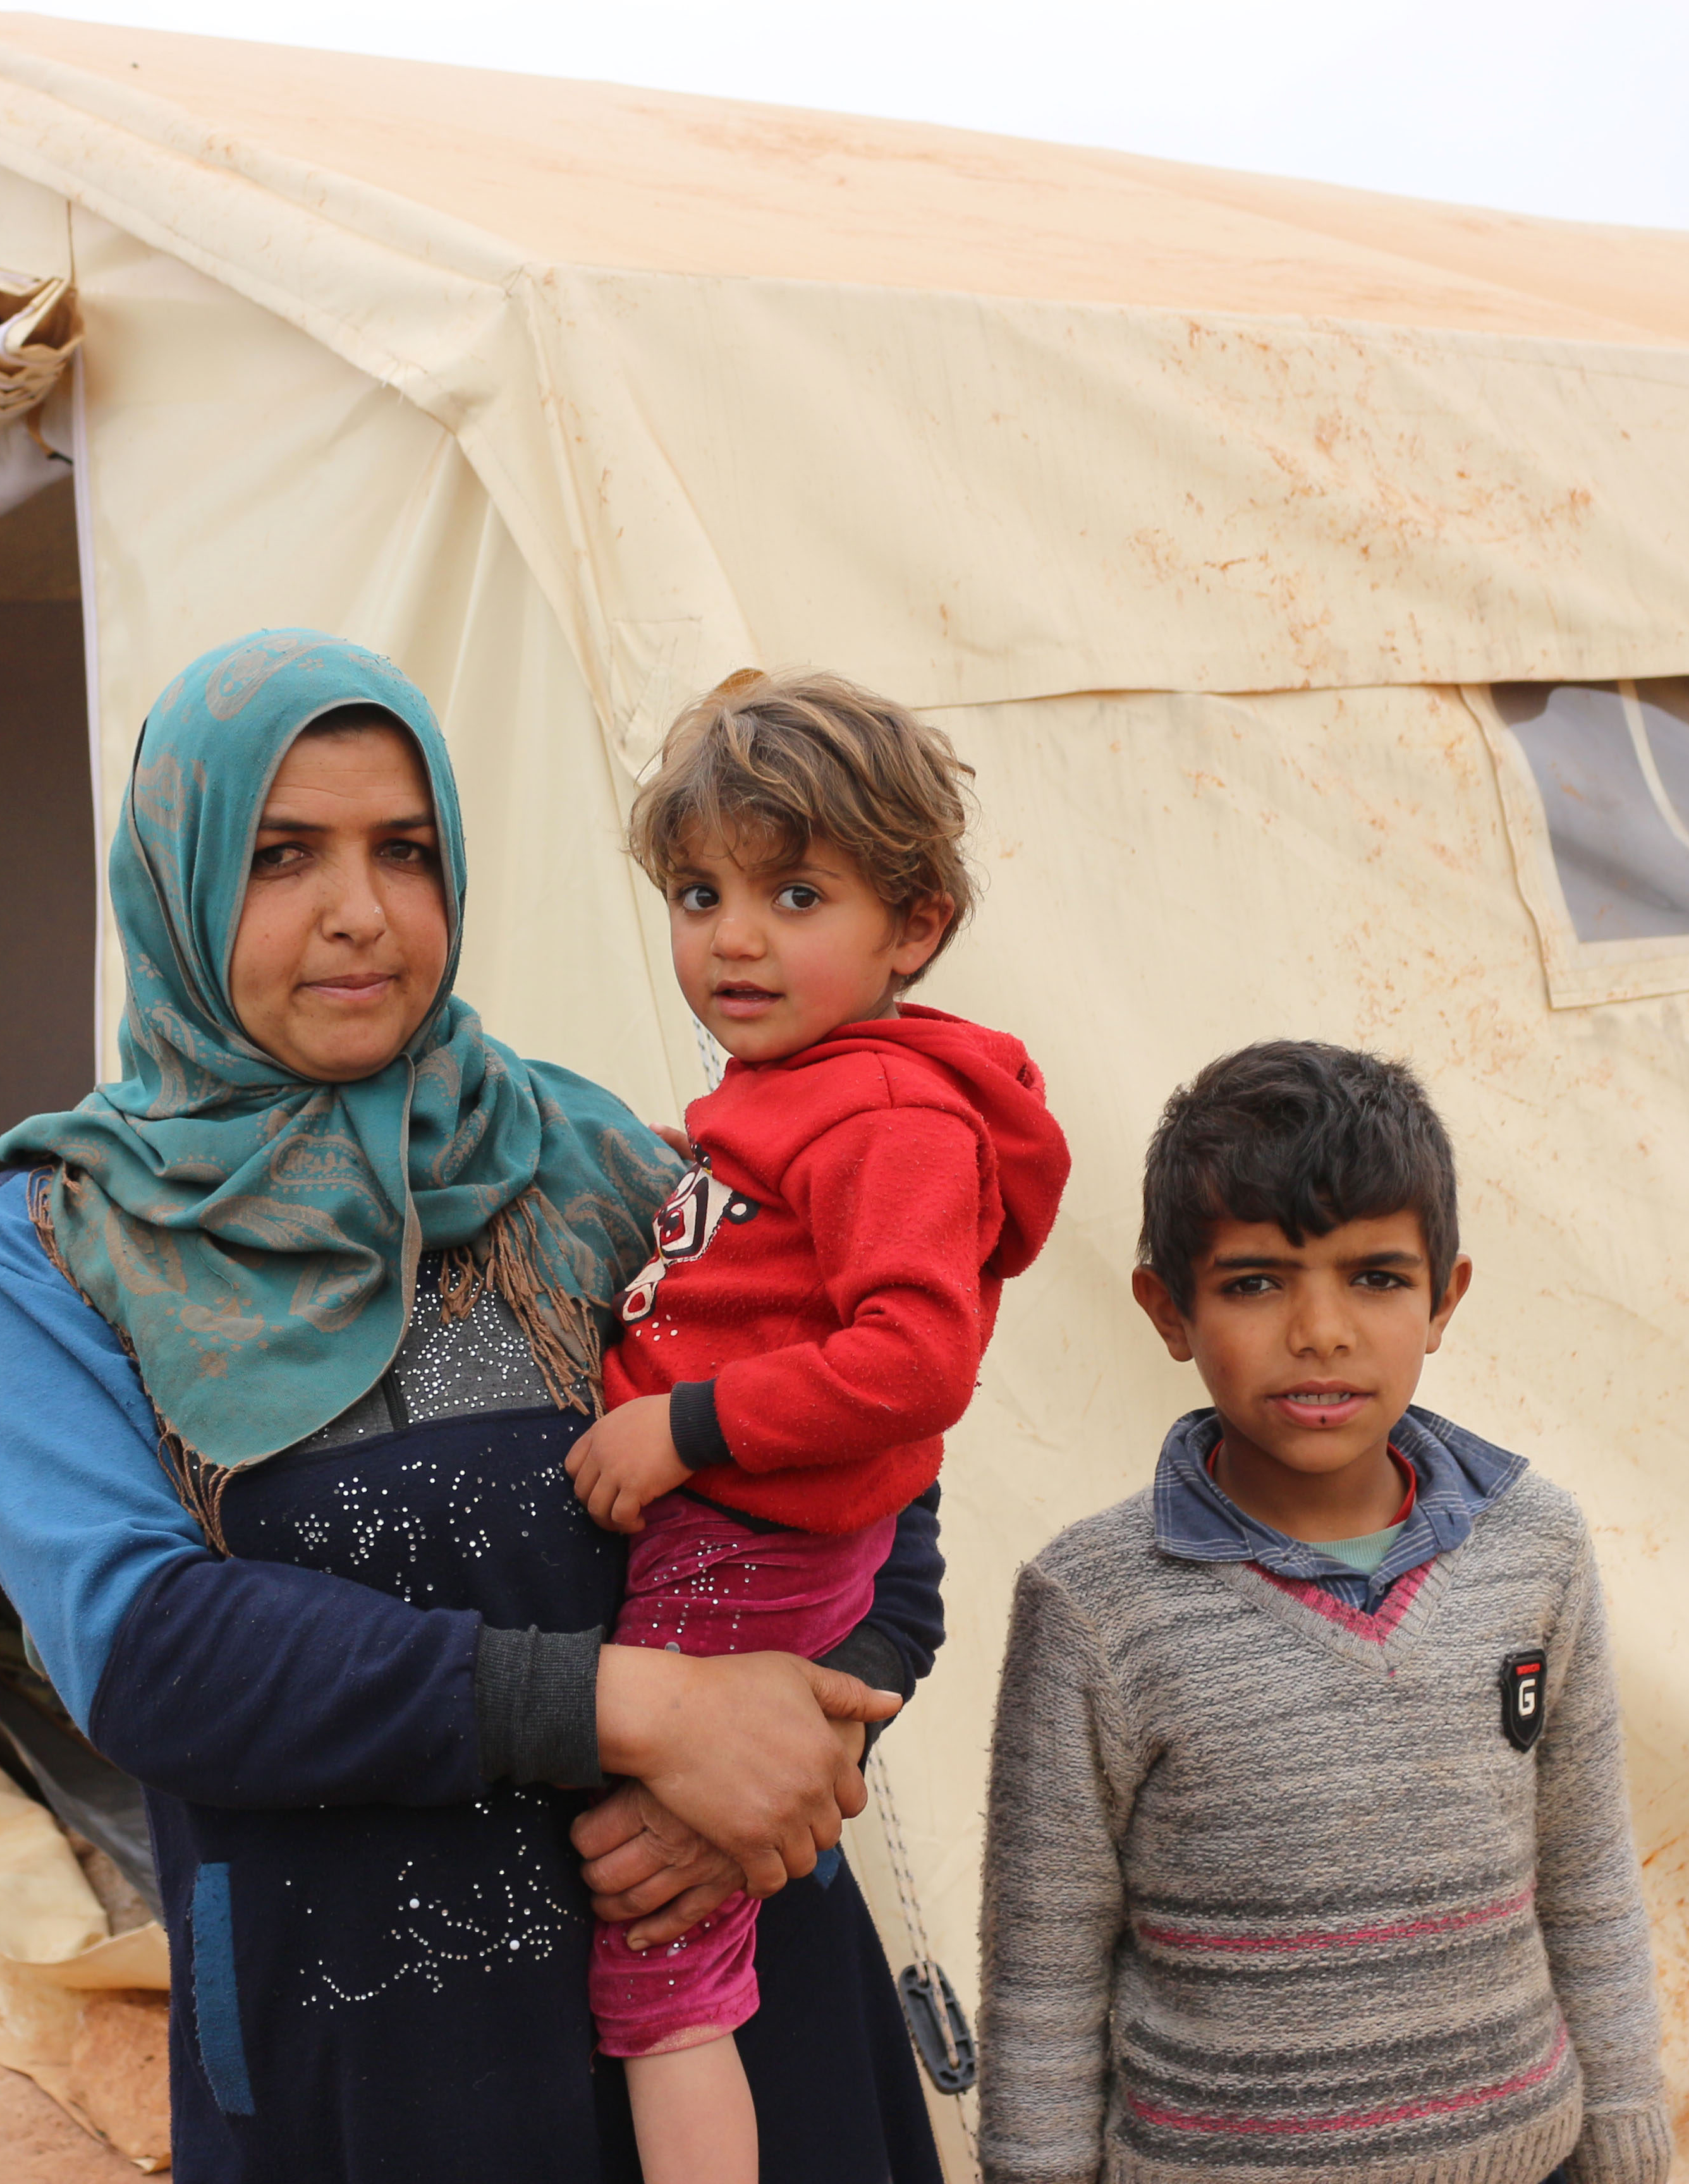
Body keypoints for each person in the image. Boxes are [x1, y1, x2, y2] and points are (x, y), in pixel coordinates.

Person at [0, 630, 950, 2182]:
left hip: (735, 2017)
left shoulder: (592, 1162)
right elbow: (150, 1654)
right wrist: (650, 1711)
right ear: (179, 879)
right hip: (376, 2066)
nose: (359, 912)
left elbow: (874, 1467)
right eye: (282, 856)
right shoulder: (61, 1243)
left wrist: (807, 1738)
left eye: (403, 852)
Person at [975, 1041, 1672, 2184]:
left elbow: (1589, 1875)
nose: (1322, 1331)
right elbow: (1044, 1976)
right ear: (1168, 1308)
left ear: (1445, 1299)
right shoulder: (1094, 1604)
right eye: (1255, 1282)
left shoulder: (1536, 1544)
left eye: (1377, 1277)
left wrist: (1629, 2151)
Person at [563, 670, 1071, 2184]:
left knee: (665, 1975)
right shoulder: (795, 1089)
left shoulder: (888, 1118)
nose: (733, 936)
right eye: (702, 892)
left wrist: (690, 1429)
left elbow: (915, 1358)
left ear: (911, 927)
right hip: (744, 1521)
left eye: (795, 893)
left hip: (748, 1539)